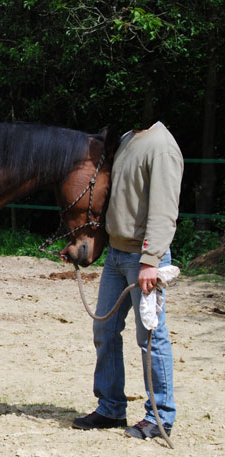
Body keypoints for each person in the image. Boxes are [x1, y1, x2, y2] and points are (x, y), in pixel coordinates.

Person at [64, 121, 184, 439]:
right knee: (104, 329)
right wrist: (83, 242)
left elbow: (164, 209)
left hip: (143, 259)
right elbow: (112, 201)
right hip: (117, 255)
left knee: (150, 338)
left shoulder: (162, 146)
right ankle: (111, 408)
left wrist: (151, 260)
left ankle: (160, 417)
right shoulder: (130, 139)